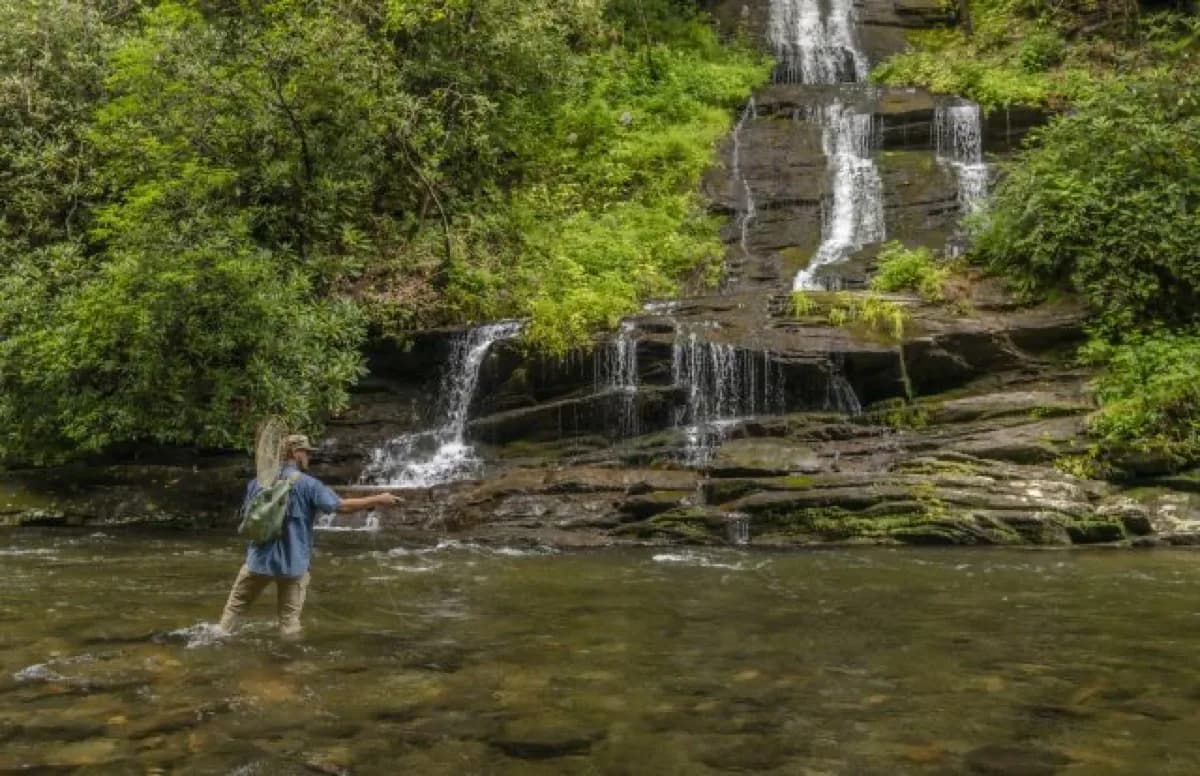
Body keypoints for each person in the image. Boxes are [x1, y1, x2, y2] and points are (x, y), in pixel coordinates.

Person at [217, 434, 398, 638]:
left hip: (258, 561)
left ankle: (216, 644)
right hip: (293, 564)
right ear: (295, 453)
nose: (309, 457)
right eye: (306, 452)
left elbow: (247, 516)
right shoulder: (309, 485)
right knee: (289, 622)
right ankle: (290, 664)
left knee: (234, 611)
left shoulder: (258, 482)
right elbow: (341, 507)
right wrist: (379, 498)